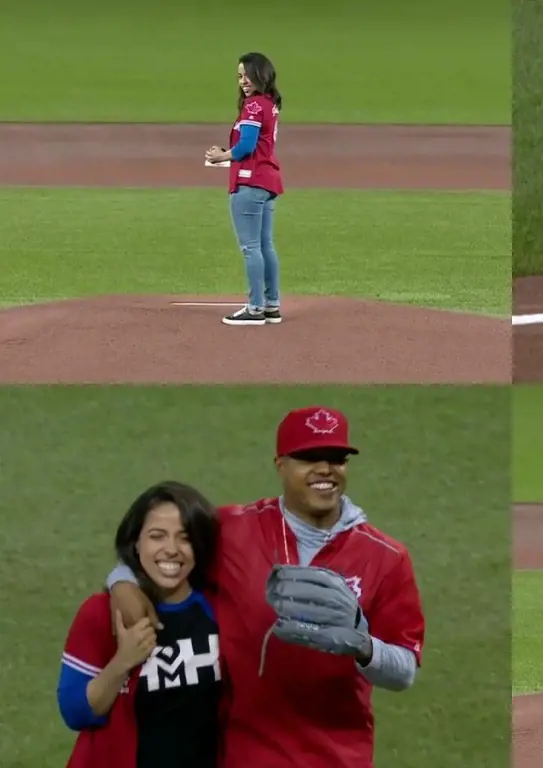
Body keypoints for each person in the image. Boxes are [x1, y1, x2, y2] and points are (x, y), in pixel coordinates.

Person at [106, 406, 426, 768]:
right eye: (309, 457)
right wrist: (124, 583)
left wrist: (366, 648)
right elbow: (157, 554)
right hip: (242, 753)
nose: (325, 469)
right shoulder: (232, 529)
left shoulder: (386, 557)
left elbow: (404, 672)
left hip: (337, 758)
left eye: (336, 458)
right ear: (281, 465)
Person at [58, 481, 222, 768]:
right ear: (136, 543)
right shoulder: (102, 612)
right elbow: (75, 712)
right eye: (157, 536)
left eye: (185, 538)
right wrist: (123, 662)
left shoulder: (220, 610)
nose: (171, 550)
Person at [205, 52, 285, 327]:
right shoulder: (269, 104)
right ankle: (272, 304)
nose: (243, 81)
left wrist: (222, 156)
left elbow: (247, 146)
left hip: (250, 183)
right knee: (265, 245)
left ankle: (255, 308)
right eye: (239, 77)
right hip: (267, 181)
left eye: (247, 75)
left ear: (260, 74)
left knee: (251, 247)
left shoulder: (252, 106)